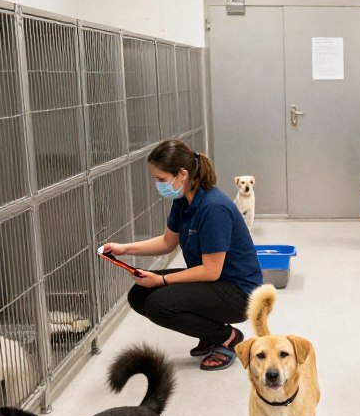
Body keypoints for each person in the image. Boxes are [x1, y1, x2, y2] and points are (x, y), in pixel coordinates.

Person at [102, 139, 263, 371]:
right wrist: (124, 248)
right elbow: (168, 242)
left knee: (159, 304)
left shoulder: (213, 207)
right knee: (140, 294)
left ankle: (228, 337)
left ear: (182, 175)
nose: (158, 185)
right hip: (213, 283)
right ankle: (208, 333)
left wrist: (162, 280)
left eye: (161, 179)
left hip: (238, 293)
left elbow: (211, 270)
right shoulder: (184, 200)